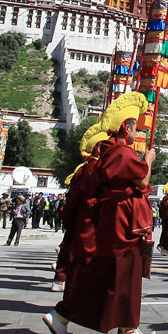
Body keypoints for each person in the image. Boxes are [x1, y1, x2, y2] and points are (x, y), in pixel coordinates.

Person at [44, 91, 156, 334]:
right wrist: (148, 160)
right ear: (126, 127)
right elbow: (142, 180)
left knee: (110, 277)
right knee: (120, 275)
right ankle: (118, 328)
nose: (137, 134)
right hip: (122, 227)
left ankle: (118, 326)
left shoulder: (110, 152)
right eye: (135, 128)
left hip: (115, 223)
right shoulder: (122, 154)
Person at [51, 124, 108, 292]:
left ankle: (62, 279)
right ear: (98, 148)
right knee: (83, 250)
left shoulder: (87, 167)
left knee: (71, 246)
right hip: (88, 213)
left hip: (80, 212)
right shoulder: (93, 167)